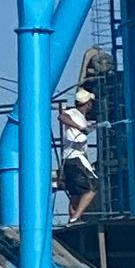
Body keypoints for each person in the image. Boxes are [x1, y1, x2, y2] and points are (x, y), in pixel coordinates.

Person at [57, 85, 98, 220]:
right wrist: (79, 127)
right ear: (87, 104)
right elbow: (62, 117)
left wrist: (90, 126)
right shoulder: (74, 113)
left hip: (69, 159)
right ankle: (75, 217)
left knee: (75, 194)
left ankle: (73, 218)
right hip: (75, 158)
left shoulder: (82, 118)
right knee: (91, 188)